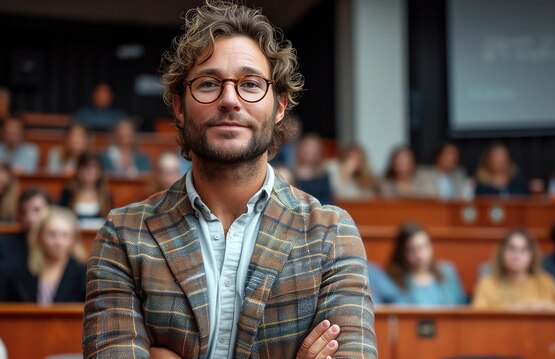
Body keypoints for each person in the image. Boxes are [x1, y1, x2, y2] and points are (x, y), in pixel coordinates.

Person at [82, 2, 377, 358]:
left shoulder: (331, 233)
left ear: (279, 105)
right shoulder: (124, 235)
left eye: (250, 84)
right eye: (208, 84)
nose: (229, 100)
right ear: (179, 106)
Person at [4, 206, 86, 303]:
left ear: (73, 240)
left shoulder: (85, 274)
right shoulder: (20, 272)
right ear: (40, 237)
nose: (58, 242)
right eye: (52, 234)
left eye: (65, 235)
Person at [472, 229, 555, 309]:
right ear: (501, 253)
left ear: (532, 255)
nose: (517, 255)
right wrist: (519, 308)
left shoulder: (543, 281)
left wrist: (546, 306)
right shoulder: (488, 283)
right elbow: (478, 313)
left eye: (524, 250)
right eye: (511, 248)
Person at [386, 223, 465, 305]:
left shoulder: (448, 272)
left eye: (424, 246)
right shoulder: (394, 281)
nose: (420, 255)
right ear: (402, 253)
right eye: (412, 250)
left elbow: (461, 308)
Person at [0, 188, 53, 300]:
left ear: (51, 210)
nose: (30, 217)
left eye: (37, 210)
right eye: (24, 212)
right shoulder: (4, 245)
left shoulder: (57, 244)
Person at [59, 153, 112, 220]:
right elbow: (62, 217)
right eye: (85, 167)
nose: (89, 171)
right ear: (78, 170)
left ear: (100, 171)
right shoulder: (68, 192)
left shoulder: (106, 194)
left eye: (93, 167)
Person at [293, 133, 334, 205]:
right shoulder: (291, 174)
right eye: (307, 146)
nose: (310, 150)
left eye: (314, 147)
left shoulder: (323, 175)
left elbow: (329, 201)